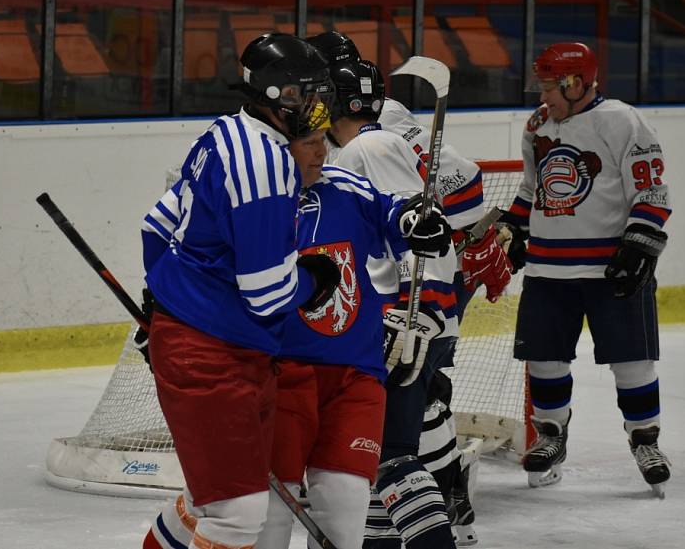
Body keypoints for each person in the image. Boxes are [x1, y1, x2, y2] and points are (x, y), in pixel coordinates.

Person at [141, 109, 454, 549]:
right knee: (258, 523)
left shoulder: (344, 187)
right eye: (310, 142)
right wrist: (167, 312)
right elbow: (170, 237)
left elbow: (394, 212)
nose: (322, 152)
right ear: (279, 147)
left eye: (324, 139)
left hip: (354, 375)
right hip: (279, 373)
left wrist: (416, 220)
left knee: (344, 516)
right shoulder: (249, 193)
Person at [139, 33, 343, 549]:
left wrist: (164, 305)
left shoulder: (222, 132)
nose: (318, 105)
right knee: (236, 514)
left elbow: (156, 225)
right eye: (307, 93)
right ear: (278, 97)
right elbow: (267, 294)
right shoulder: (268, 168)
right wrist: (316, 280)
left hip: (214, 344)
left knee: (216, 501)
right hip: (214, 354)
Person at [309, 30, 511, 547]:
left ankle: (443, 511)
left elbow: (420, 240)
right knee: (384, 448)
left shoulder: (371, 146)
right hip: (394, 317)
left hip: (401, 319)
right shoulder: (357, 145)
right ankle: (409, 523)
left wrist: (412, 319)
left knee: (392, 449)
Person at [499, 42, 673, 497]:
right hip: (548, 269)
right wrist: (512, 226)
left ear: (576, 82)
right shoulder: (538, 124)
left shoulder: (621, 120)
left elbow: (651, 189)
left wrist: (640, 243)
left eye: (550, 86)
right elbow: (530, 189)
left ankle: (645, 440)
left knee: (632, 361)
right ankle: (552, 436)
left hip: (608, 269)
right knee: (543, 359)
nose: (545, 95)